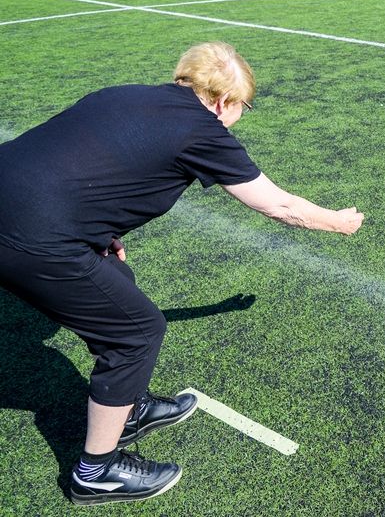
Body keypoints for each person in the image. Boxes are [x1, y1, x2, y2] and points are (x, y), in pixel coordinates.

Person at [0, 42, 364, 505]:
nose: (239, 116)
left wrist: (95, 228)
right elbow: (279, 205)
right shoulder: (202, 130)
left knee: (116, 283)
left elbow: (68, 159)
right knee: (135, 331)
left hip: (16, 205)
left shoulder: (122, 93)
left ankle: (128, 407)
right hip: (31, 239)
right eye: (242, 107)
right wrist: (338, 221)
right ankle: (95, 472)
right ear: (220, 101)